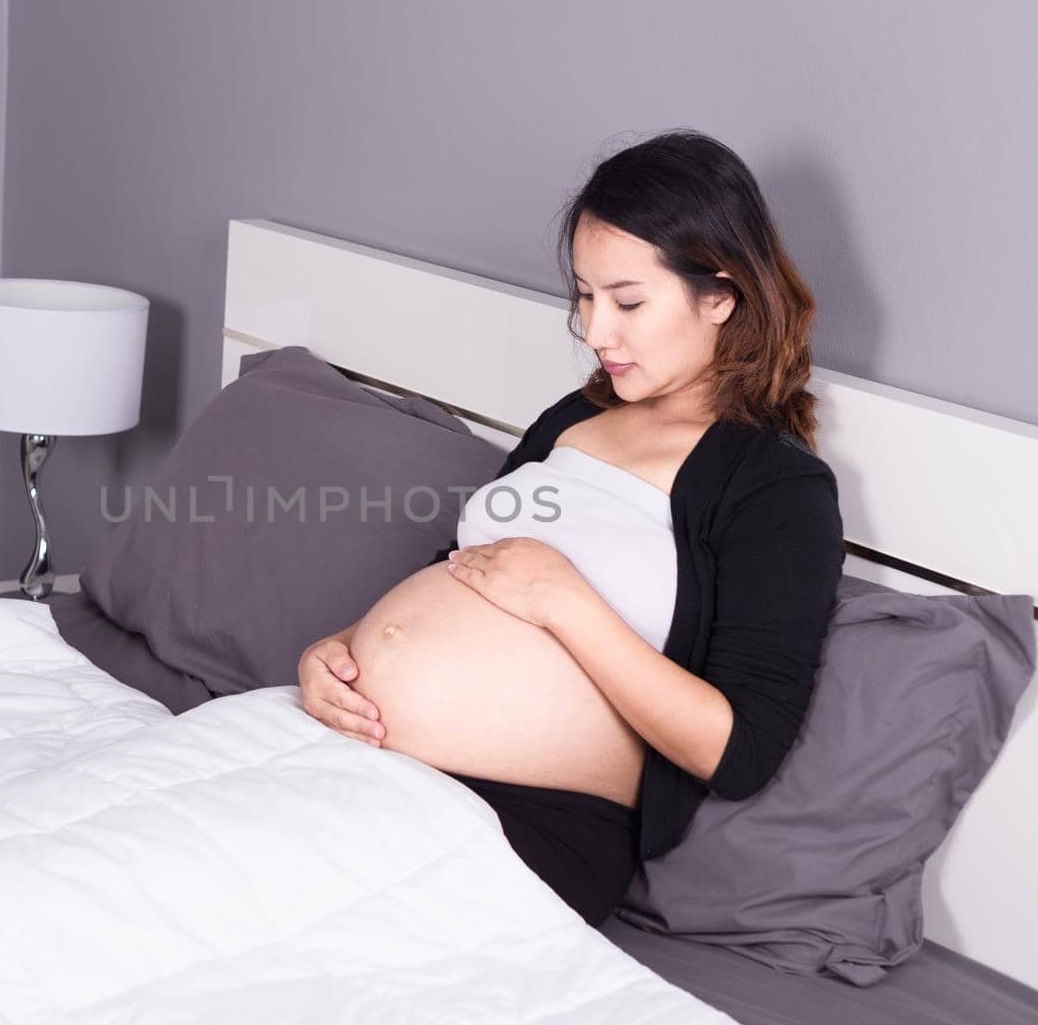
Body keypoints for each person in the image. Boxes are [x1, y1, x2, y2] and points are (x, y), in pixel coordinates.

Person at [295, 129, 846, 928]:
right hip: (359, 755)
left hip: (522, 818)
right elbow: (460, 568)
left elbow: (737, 751)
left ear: (720, 295)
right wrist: (337, 651)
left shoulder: (777, 488)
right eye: (585, 296)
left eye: (627, 301)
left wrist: (568, 603)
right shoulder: (576, 418)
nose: (596, 331)